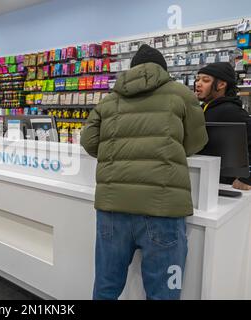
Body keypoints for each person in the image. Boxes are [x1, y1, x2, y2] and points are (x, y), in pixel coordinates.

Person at [81, 44, 208, 300]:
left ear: (131, 70)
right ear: (163, 69)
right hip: (163, 209)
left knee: (105, 288)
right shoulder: (182, 94)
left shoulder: (109, 99)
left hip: (112, 208)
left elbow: (89, 141)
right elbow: (195, 143)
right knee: (164, 293)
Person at [195, 62, 251, 190]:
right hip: (204, 181)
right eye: (197, 79)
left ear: (221, 84)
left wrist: (247, 179)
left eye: (205, 80)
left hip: (225, 188)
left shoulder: (232, 112)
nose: (198, 83)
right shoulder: (202, 109)